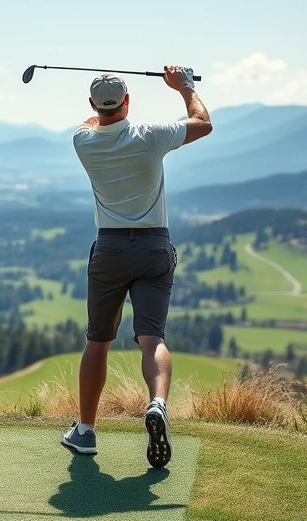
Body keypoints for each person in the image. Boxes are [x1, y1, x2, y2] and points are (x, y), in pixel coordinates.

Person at [61, 66, 212, 468]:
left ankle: (86, 431)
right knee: (152, 337)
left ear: (93, 104)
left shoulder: (83, 141)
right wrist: (184, 86)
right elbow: (203, 123)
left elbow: (91, 122)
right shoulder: (151, 134)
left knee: (98, 340)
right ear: (128, 102)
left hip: (109, 248)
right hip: (153, 247)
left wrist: (99, 113)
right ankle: (158, 404)